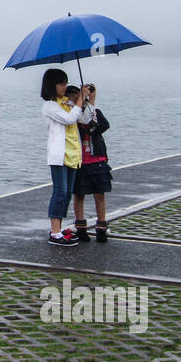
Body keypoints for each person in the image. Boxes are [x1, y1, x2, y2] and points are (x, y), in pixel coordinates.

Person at [39, 68, 86, 246]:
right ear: (53, 85)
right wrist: (80, 99)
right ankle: (55, 231)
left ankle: (59, 226)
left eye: (66, 82)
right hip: (59, 155)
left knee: (67, 193)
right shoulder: (50, 106)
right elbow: (69, 119)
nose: (65, 86)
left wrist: (86, 100)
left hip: (73, 154)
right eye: (62, 83)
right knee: (59, 191)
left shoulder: (66, 103)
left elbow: (84, 118)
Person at [72, 82, 112, 242]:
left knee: (99, 193)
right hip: (79, 159)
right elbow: (75, 123)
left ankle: (101, 227)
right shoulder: (72, 115)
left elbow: (102, 126)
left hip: (97, 158)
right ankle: (80, 227)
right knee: (79, 194)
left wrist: (92, 101)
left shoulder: (93, 111)